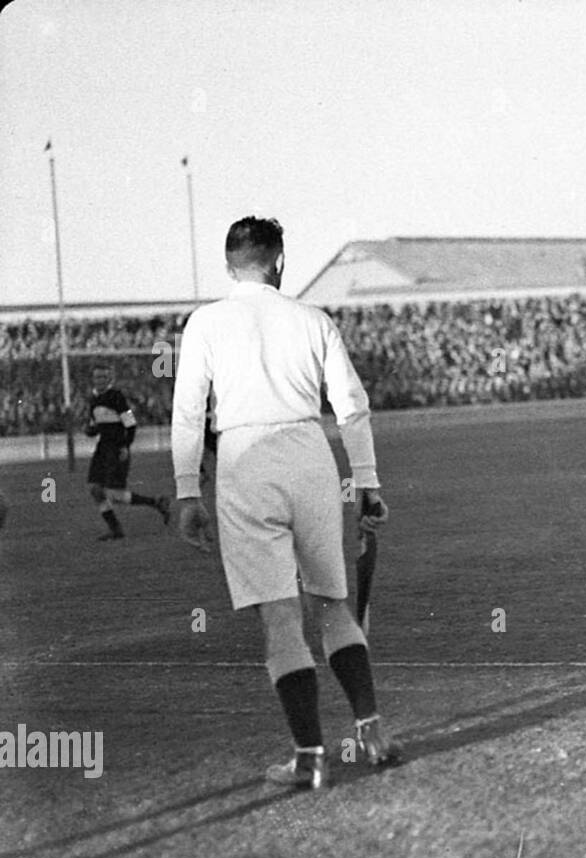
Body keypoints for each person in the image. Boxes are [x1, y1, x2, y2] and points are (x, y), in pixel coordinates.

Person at [172, 217, 400, 790]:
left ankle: (310, 757)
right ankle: (370, 728)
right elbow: (351, 404)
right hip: (309, 453)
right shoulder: (313, 319)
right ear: (278, 262)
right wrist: (367, 482)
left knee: (280, 617)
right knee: (331, 606)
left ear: (230, 266)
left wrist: (184, 491)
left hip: (245, 459)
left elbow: (187, 411)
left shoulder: (205, 322)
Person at [84, 364, 171, 540]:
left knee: (114, 494)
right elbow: (97, 426)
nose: (99, 380)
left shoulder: (116, 397)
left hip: (117, 448)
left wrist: (125, 446)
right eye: (97, 377)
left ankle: (155, 503)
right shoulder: (93, 400)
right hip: (102, 449)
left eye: (103, 377)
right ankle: (115, 529)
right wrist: (89, 430)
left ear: (109, 379)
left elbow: (130, 424)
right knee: (95, 489)